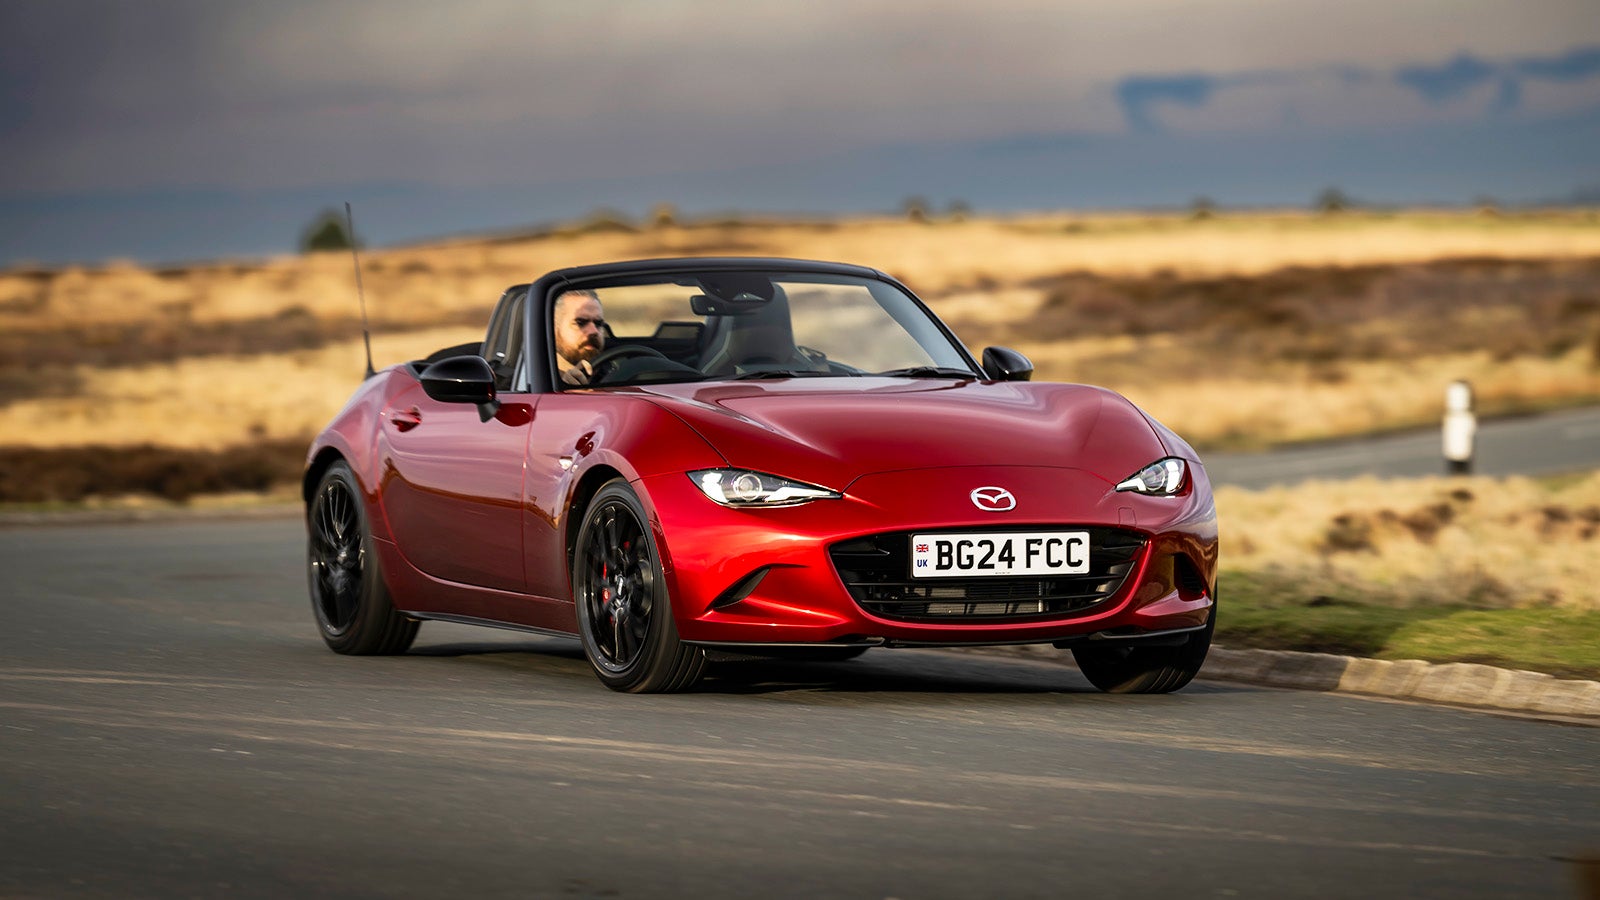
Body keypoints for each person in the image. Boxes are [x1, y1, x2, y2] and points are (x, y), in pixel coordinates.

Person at [554, 289, 605, 385]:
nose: (594, 331)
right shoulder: (540, 379)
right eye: (580, 323)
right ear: (553, 328)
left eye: (598, 324)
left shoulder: (612, 370)